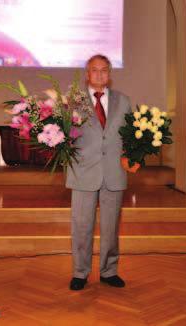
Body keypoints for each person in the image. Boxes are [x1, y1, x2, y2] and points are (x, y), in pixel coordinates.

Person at [66, 54, 132, 291]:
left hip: (114, 173)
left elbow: (131, 135)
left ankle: (109, 270)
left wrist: (133, 156)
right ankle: (80, 272)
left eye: (104, 70)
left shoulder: (123, 101)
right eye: (95, 70)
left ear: (110, 74)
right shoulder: (72, 102)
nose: (99, 74)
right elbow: (63, 135)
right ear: (87, 74)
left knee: (111, 227)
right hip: (83, 172)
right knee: (81, 226)